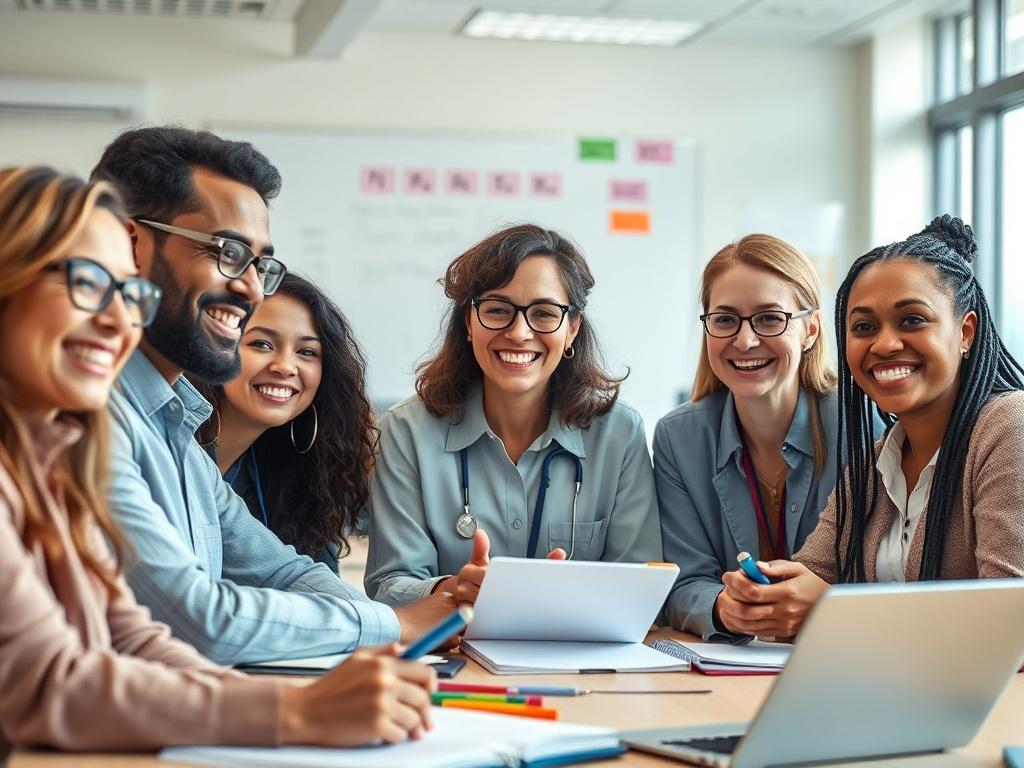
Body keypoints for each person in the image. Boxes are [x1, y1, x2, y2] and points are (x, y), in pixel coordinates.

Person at [0, 166, 436, 759]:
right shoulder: (82, 445)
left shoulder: (53, 463)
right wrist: (295, 711)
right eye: (86, 283)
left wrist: (290, 708)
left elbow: (134, 637)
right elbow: (52, 681)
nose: (116, 321)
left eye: (128, 295)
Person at [91, 126, 454, 665]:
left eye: (260, 263)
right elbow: (197, 620)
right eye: (228, 252)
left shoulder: (181, 437)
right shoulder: (93, 419)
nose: (253, 288)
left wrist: (408, 624)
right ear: (130, 246)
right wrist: (391, 623)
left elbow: (286, 572)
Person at [717, 215, 1024, 638]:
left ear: (965, 331)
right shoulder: (879, 459)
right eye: (864, 327)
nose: (884, 344)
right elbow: (810, 576)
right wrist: (763, 596)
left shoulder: (1010, 426)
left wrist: (829, 608)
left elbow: (1011, 626)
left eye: (912, 320)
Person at [364, 224, 662, 606]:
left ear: (572, 329)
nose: (519, 333)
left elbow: (640, 588)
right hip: (455, 654)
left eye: (543, 313)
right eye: (498, 310)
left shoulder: (620, 433)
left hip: (578, 661)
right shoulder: (407, 431)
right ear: (468, 323)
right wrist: (451, 590)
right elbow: (389, 584)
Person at [656, 234, 863, 640]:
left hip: (841, 655)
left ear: (810, 330)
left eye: (770, 318)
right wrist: (722, 608)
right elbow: (681, 582)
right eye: (725, 319)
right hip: (732, 668)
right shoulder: (678, 438)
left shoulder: (861, 425)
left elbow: (888, 573)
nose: (745, 340)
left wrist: (827, 602)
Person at [194, 272, 375, 574]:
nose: (285, 367)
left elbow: (321, 596)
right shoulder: (172, 450)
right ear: (216, 347)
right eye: (262, 344)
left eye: (306, 352)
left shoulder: (302, 478)